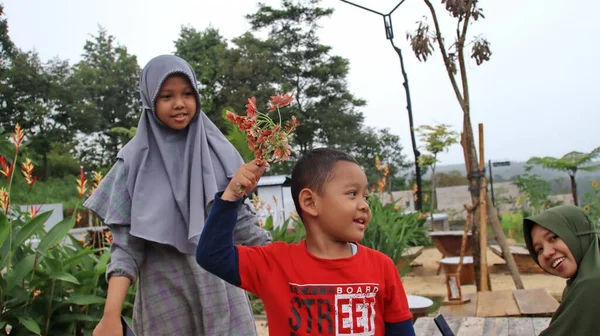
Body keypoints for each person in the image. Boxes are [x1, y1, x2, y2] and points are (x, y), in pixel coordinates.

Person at [84, 54, 271, 336]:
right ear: (149, 100)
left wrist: (295, 265)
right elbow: (125, 249)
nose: (179, 103)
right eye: (166, 96)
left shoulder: (218, 154)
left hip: (224, 297)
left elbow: (243, 227)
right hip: (165, 302)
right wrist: (111, 315)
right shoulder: (131, 163)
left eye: (187, 93)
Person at [197, 148, 415, 335]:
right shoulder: (274, 263)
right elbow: (212, 255)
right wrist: (232, 195)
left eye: (365, 196)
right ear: (310, 202)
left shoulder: (382, 267)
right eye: (352, 193)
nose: (364, 205)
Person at [523, 205, 600, 335]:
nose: (546, 253)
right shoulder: (580, 283)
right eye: (539, 249)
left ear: (579, 233)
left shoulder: (593, 284)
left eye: (553, 238)